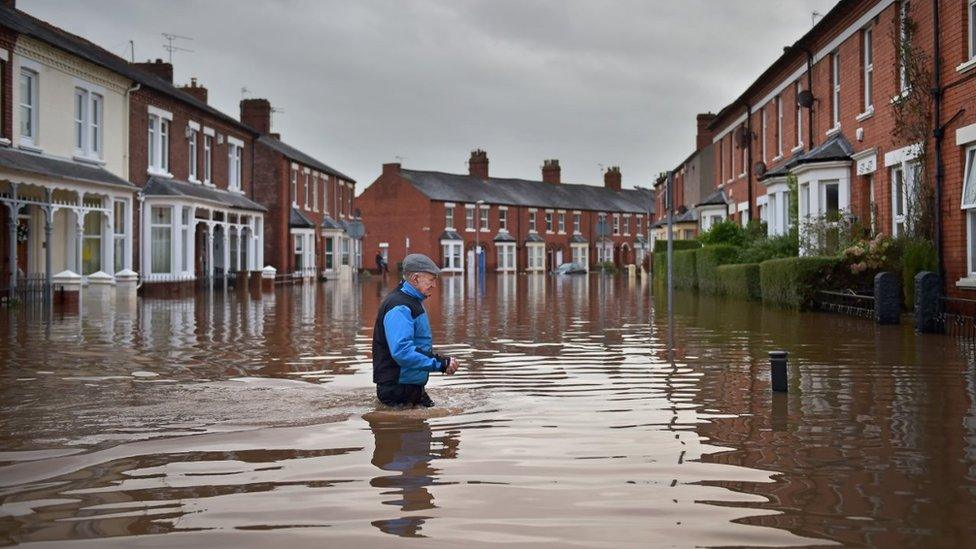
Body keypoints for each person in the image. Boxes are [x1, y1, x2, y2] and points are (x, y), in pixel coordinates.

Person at [372, 253, 459, 407]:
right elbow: (402, 351)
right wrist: (440, 363)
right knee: (414, 429)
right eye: (431, 279)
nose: (434, 285)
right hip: (398, 389)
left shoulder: (411, 301)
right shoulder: (400, 306)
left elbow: (418, 344)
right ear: (415, 278)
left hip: (410, 386)